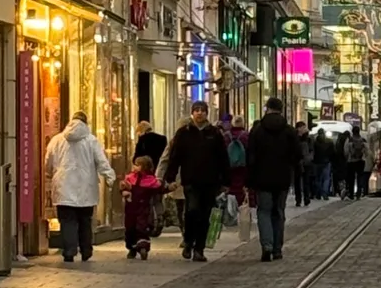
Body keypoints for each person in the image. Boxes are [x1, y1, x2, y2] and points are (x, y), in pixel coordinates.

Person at [44, 111, 117, 263]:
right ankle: (86, 250)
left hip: (63, 187)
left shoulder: (57, 140)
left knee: (67, 220)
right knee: (85, 220)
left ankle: (69, 251)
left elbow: (48, 161)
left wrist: (50, 174)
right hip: (86, 189)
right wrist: (110, 176)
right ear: (86, 123)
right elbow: (101, 161)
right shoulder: (91, 141)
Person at [162, 100, 230, 262]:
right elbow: (175, 157)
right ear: (192, 113)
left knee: (205, 215)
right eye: (196, 110)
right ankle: (188, 241)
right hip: (190, 180)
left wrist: (226, 182)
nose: (199, 113)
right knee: (192, 211)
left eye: (202, 110)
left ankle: (199, 248)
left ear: (207, 113)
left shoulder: (214, 133)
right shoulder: (184, 133)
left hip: (210, 181)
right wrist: (170, 178)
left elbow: (223, 158)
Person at [246, 97, 300, 262]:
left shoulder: (257, 130)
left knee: (264, 211)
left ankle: (267, 245)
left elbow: (250, 157)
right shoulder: (289, 131)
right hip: (282, 177)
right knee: (279, 212)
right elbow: (297, 156)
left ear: (267, 108)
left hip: (262, 178)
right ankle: (277, 248)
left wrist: (249, 180)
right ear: (281, 109)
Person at [121, 157, 163, 260]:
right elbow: (123, 188)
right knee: (130, 227)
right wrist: (124, 191)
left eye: (137, 164)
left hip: (144, 208)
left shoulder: (150, 180)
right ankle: (132, 247)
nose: (135, 166)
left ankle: (143, 246)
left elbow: (159, 188)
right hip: (131, 208)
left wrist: (168, 187)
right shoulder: (130, 178)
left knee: (142, 227)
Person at [344, 125, 370, 200]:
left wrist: (348, 157)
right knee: (360, 177)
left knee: (351, 178)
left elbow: (345, 151)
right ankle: (359, 194)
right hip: (361, 161)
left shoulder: (349, 140)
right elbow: (367, 152)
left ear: (352, 132)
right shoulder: (363, 140)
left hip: (351, 161)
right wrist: (363, 157)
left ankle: (351, 194)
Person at [294, 123, 315, 207]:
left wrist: (310, 158)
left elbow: (312, 149)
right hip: (297, 162)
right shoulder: (295, 138)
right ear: (298, 128)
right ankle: (298, 199)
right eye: (303, 127)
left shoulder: (308, 138)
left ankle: (306, 198)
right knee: (297, 182)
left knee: (306, 181)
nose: (304, 129)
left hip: (306, 163)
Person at [313, 128, 335, 200]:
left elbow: (313, 152)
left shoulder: (315, 142)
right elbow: (332, 153)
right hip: (326, 162)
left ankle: (318, 193)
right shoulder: (329, 142)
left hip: (317, 162)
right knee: (326, 179)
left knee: (318, 179)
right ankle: (325, 193)